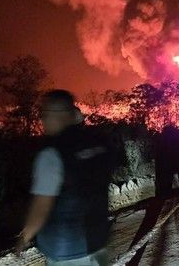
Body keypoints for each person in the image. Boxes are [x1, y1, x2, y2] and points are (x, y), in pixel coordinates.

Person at [15, 90, 112, 265]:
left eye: (44, 115)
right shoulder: (98, 143)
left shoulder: (51, 154)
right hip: (98, 241)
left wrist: (24, 237)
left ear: (59, 115)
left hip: (66, 249)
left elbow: (41, 206)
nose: (42, 120)